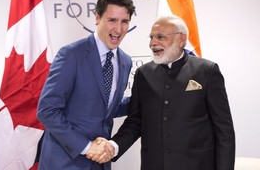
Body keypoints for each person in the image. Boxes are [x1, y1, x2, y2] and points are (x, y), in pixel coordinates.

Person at [91, 15, 236, 170]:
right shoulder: (143, 74)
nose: (153, 43)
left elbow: (224, 131)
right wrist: (114, 146)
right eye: (152, 37)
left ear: (181, 39)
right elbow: (135, 122)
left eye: (160, 37)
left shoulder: (207, 71)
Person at [36, 0, 135, 170]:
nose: (118, 29)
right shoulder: (71, 55)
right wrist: (87, 147)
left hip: (100, 164)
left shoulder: (125, 61)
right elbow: (47, 110)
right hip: (64, 163)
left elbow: (107, 107)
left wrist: (147, 99)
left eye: (125, 22)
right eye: (112, 20)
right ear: (97, 17)